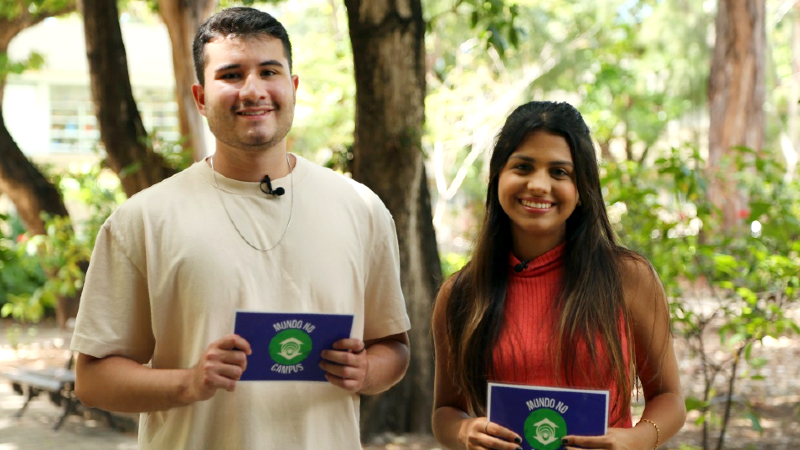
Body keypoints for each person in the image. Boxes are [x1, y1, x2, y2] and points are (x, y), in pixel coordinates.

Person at [70, 7, 411, 449]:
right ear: (199, 96)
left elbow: (394, 348)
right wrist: (189, 382)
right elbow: (92, 379)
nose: (253, 90)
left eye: (269, 71)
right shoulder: (143, 219)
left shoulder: (361, 209)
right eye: (231, 74)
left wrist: (366, 371)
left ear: (292, 87)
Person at [431, 101, 686, 450]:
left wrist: (635, 440)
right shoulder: (460, 293)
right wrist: (463, 432)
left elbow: (670, 398)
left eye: (559, 172)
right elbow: (446, 411)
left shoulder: (628, 278)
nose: (538, 184)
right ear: (497, 177)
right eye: (523, 167)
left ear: (582, 190)